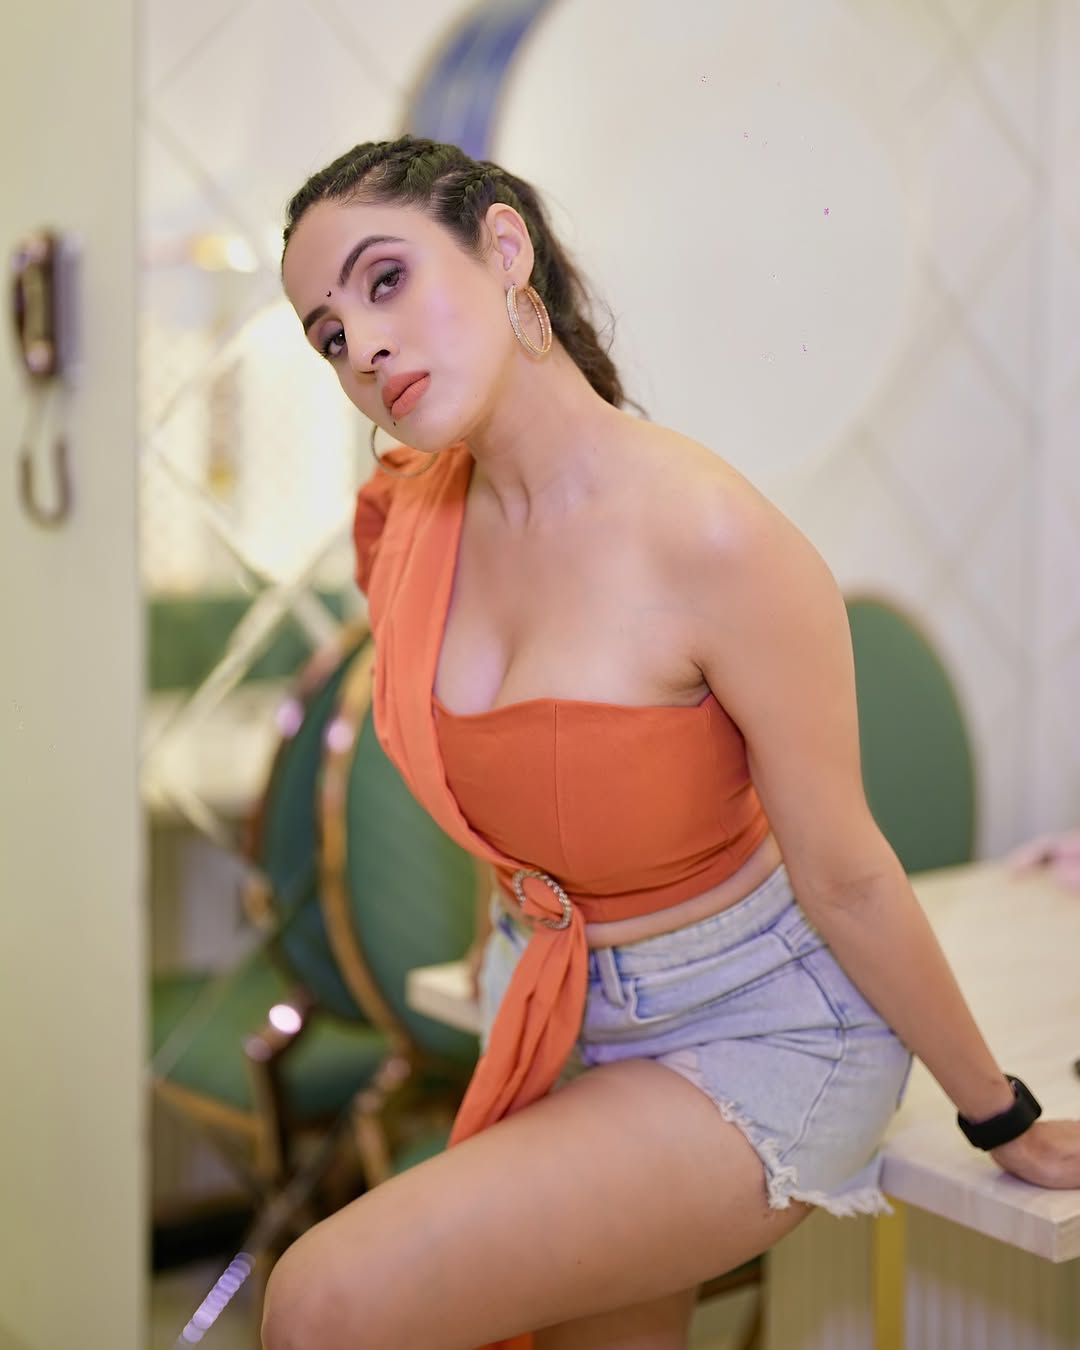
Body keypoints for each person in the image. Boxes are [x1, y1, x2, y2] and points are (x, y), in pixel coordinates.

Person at [263, 134, 1080, 1350]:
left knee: (321, 1302)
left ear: (503, 248)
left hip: (762, 1030)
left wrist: (1000, 1115)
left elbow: (848, 876)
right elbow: (496, 795)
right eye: (329, 335)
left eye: (387, 280)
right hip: (561, 1019)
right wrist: (506, 950)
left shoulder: (713, 538)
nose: (365, 348)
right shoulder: (409, 520)